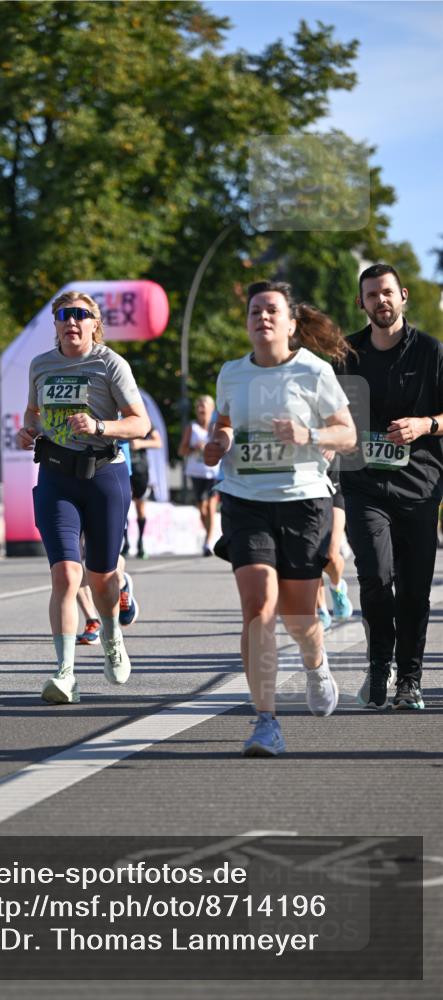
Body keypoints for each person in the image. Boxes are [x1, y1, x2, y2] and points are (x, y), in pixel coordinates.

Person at [205, 280, 356, 757]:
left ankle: (316, 665)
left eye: (272, 310)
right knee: (258, 608)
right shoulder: (232, 373)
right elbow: (224, 424)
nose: (262, 317)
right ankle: (265, 720)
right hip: (245, 498)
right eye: (255, 311)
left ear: (292, 323)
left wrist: (306, 432)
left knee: (298, 616)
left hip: (303, 501)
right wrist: (219, 442)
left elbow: (348, 435)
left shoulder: (313, 371)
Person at [17, 291, 149, 704]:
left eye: (81, 315)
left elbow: (139, 423)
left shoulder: (110, 363)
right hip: (56, 478)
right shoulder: (41, 365)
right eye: (63, 315)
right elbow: (32, 414)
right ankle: (64, 672)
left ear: (94, 323)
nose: (72, 321)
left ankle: (111, 637)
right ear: (54, 323)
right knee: (65, 576)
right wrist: (28, 431)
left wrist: (99, 426)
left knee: (102, 576)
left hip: (103, 475)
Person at [338, 263, 443, 711]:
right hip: (363, 484)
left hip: (420, 485)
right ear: (361, 303)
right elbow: (332, 416)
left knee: (416, 588)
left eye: (387, 293)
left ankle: (411, 679)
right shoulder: (346, 355)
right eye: (371, 295)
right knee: (376, 576)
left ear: (402, 296)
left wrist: (425, 424)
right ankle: (380, 663)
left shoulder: (431, 353)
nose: (380, 301)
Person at [179, 395, 221, 555]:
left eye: (204, 406)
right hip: (196, 472)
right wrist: (194, 448)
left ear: (212, 409)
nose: (201, 410)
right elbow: (181, 450)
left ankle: (208, 542)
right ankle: (209, 534)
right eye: (198, 407)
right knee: (202, 509)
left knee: (210, 507)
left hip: (213, 472)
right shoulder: (192, 427)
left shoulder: (217, 427)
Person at [316, 461, 353, 629]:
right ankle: (321, 610)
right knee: (311, 556)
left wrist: (330, 438)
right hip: (303, 490)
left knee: (330, 553)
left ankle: (337, 586)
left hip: (334, 485)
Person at [122, 425, 162, 558]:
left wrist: (140, 444)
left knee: (140, 506)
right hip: (123, 466)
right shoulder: (116, 415)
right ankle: (125, 543)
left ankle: (140, 543)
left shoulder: (144, 419)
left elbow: (158, 442)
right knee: (123, 506)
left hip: (140, 468)